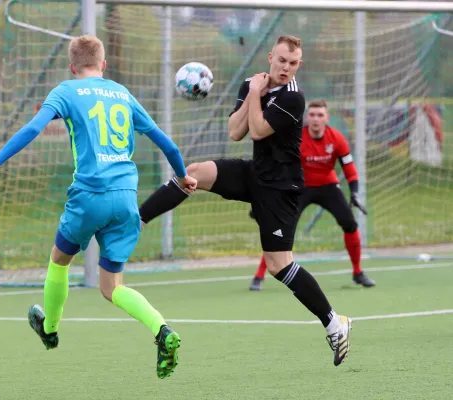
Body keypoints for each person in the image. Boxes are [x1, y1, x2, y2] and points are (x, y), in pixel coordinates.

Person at [0, 35, 197, 379]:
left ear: (72, 67)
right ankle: (162, 330)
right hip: (125, 197)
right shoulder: (122, 92)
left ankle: (49, 329)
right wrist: (183, 177)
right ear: (104, 65)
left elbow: (34, 128)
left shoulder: (66, 90)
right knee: (113, 288)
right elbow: (166, 143)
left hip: (89, 195)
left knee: (60, 260)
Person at [139, 35, 351, 366]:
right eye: (281, 60)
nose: (286, 68)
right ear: (270, 57)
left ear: (299, 65)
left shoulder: (294, 99)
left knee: (279, 265)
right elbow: (234, 132)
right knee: (194, 172)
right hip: (255, 173)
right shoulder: (251, 84)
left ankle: (335, 323)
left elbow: (256, 130)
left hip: (281, 187)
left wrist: (255, 93)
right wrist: (252, 91)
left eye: (293, 63)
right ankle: (136, 221)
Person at [249, 99, 375, 291]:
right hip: (300, 188)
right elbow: (278, 167)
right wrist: (265, 195)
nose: (316, 119)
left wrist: (355, 193)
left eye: (320, 115)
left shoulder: (337, 139)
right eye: (312, 115)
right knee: (279, 229)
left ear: (327, 118)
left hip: (328, 186)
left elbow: (349, 168)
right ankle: (259, 275)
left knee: (349, 223)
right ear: (306, 117)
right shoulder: (297, 137)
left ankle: (358, 272)